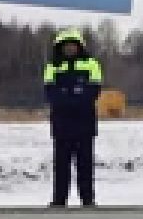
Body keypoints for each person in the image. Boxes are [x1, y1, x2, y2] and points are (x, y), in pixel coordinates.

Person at [43, 28, 103, 208]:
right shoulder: (52, 66)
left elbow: (94, 90)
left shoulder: (91, 64)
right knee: (61, 165)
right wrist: (71, 99)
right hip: (62, 124)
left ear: (79, 47)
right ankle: (59, 199)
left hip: (84, 123)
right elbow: (50, 92)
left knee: (85, 164)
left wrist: (73, 99)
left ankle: (88, 199)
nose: (69, 49)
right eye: (66, 46)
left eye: (72, 46)